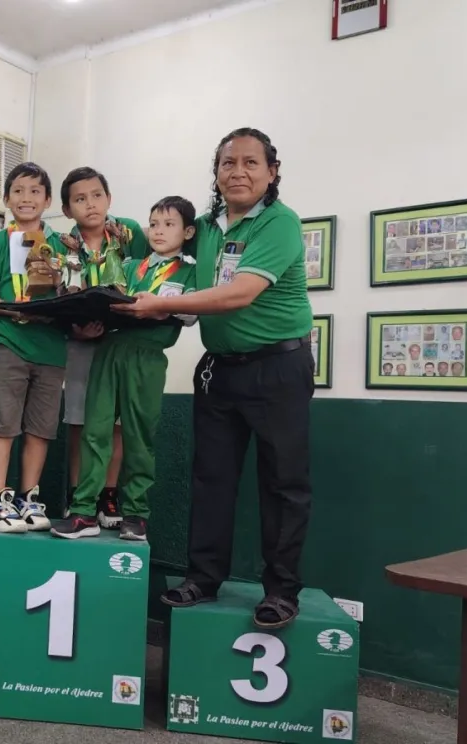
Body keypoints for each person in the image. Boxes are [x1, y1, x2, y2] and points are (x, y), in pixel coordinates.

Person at [114, 128, 313, 629]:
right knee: (211, 478)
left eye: (251, 163)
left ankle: (283, 591)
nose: (238, 172)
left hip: (279, 368)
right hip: (219, 370)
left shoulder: (280, 223)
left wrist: (161, 303)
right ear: (216, 172)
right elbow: (146, 244)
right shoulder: (203, 227)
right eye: (228, 163)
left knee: (283, 484)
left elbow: (237, 294)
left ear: (272, 172)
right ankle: (202, 579)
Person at [53, 197, 197, 541]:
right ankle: (84, 510)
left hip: (147, 357)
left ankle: (136, 513)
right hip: (108, 350)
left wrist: (162, 307)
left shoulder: (191, 270)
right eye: (154, 224)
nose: (159, 231)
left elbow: (191, 314)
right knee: (95, 430)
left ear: (188, 231)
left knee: (139, 436)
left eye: (169, 224)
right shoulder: (130, 266)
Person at [0, 162, 67, 532]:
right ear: (6, 199)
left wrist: (56, 305)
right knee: (3, 425)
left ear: (47, 200)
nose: (26, 198)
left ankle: (29, 498)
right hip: (9, 342)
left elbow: (68, 292)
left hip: (51, 348)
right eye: (18, 191)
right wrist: (17, 312)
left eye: (34, 191)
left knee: (41, 429)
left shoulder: (62, 245)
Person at [57, 166, 149, 527]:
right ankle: (79, 494)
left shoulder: (130, 235)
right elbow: (53, 297)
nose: (90, 205)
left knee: (116, 422)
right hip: (81, 343)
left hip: (123, 340)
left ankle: (109, 495)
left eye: (97, 196)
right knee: (79, 420)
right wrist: (75, 329)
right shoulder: (60, 245)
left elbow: (152, 270)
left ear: (109, 198)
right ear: (67, 209)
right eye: (79, 199)